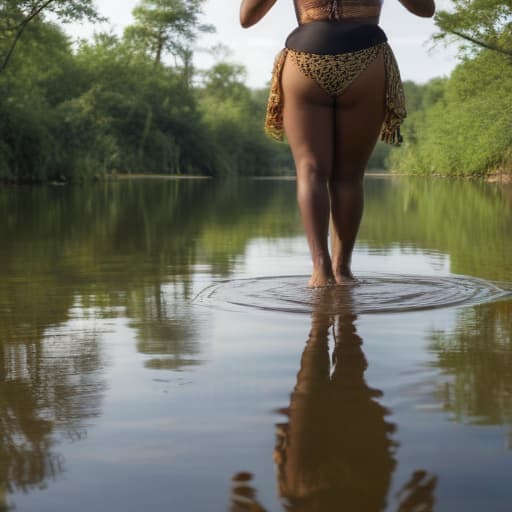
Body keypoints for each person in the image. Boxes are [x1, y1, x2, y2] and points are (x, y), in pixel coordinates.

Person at [240, 0, 435, 288]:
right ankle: (342, 270)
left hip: (305, 57)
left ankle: (320, 270)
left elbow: (247, 17)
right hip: (366, 58)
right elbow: (425, 8)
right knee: (349, 176)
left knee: (310, 171)